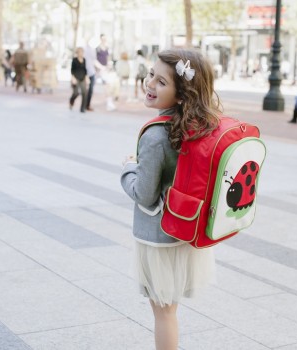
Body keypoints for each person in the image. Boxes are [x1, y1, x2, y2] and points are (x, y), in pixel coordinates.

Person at [120, 48, 217, 350]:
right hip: (185, 233)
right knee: (169, 310)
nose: (150, 84)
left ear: (181, 93)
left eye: (162, 82)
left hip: (159, 238)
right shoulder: (199, 125)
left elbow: (145, 195)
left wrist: (128, 170)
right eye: (151, 75)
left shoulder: (155, 136)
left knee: (163, 312)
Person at [69, 47, 88, 113]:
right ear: (77, 53)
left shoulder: (84, 60)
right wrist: (73, 78)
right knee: (76, 93)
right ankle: (71, 101)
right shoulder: (74, 60)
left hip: (82, 78)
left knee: (84, 92)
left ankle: (82, 108)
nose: (81, 53)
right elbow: (72, 70)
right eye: (80, 52)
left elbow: (85, 70)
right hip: (76, 78)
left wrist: (87, 78)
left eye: (82, 52)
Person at [84, 38, 97, 111]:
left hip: (92, 72)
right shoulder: (83, 48)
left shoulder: (93, 49)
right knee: (83, 90)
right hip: (84, 72)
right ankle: (84, 105)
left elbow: (94, 61)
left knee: (91, 90)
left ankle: (87, 105)